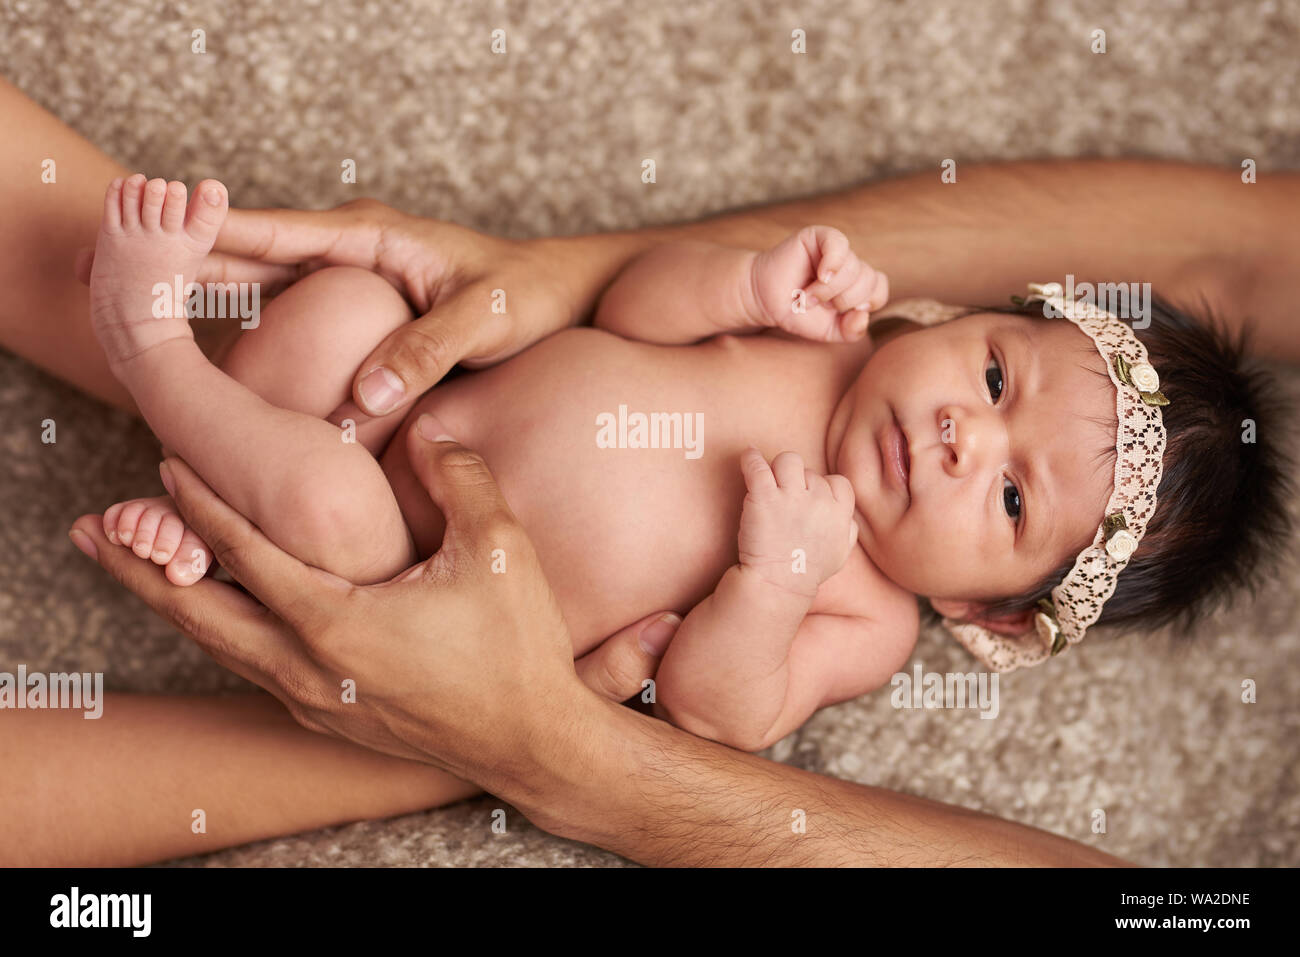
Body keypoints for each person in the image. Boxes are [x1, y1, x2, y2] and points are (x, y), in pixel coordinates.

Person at [2, 75, 1297, 864]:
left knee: (329, 503)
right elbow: (636, 305)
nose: (965, 436)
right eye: (998, 377)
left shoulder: (859, 610)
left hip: (409, 574)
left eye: (1010, 502)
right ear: (967, 317)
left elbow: (717, 710)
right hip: (397, 412)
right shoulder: (827, 335)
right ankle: (217, 491)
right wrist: (744, 278)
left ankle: (154, 349)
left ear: (990, 611)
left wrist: (770, 585)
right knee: (342, 311)